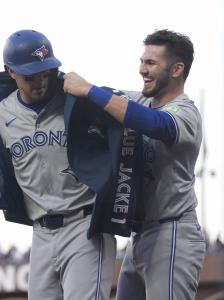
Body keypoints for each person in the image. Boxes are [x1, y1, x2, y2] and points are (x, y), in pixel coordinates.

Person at [0, 29, 144, 300]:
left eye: (44, 73)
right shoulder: (1, 112)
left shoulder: (76, 100)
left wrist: (168, 101)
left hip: (84, 226)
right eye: (30, 76)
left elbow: (133, 103)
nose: (40, 82)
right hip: (41, 233)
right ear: (10, 72)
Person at [63, 29, 206, 300]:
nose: (142, 70)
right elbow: (88, 93)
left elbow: (156, 124)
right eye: (142, 61)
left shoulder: (185, 112)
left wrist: (91, 91)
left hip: (173, 231)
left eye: (151, 63)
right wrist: (10, 79)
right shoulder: (142, 100)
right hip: (140, 235)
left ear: (177, 69)